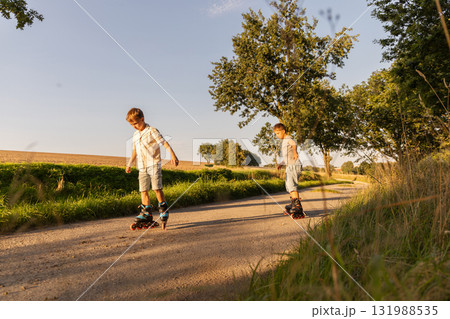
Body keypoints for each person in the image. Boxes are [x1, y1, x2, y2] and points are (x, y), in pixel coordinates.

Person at [125, 107, 179, 228]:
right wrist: (129, 163)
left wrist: (172, 155)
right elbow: (135, 150)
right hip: (142, 166)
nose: (134, 126)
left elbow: (163, 142)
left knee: (156, 189)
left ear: (142, 119)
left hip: (154, 164)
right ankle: (146, 214)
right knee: (143, 190)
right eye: (131, 124)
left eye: (135, 123)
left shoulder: (152, 130)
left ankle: (163, 209)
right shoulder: (135, 135)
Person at [273, 123, 305, 218]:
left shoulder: (288, 139)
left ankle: (297, 206)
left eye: (278, 133)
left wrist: (295, 152)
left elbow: (294, 144)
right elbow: (287, 156)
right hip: (290, 165)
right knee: (289, 185)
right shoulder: (284, 141)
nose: (277, 135)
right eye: (275, 134)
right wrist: (281, 163)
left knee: (292, 185)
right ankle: (294, 203)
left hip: (294, 165)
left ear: (283, 131)